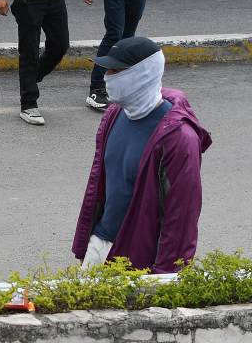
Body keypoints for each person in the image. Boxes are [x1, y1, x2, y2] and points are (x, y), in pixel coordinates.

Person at [72, 37, 211, 272]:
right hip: (99, 244)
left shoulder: (178, 139)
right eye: (107, 70)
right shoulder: (113, 115)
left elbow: (181, 219)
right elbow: (101, 186)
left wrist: (164, 278)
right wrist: (87, 241)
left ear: (143, 73)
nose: (108, 77)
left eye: (116, 70)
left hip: (136, 260)